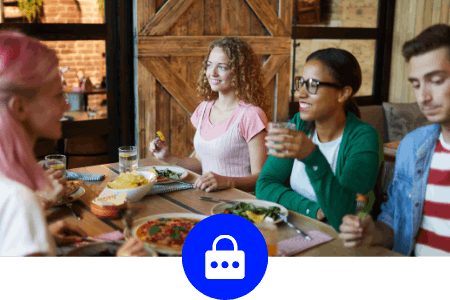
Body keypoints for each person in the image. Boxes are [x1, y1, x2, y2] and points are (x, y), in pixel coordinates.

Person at [0, 31, 147, 257]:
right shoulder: (20, 198)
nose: (66, 106)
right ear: (19, 108)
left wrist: (46, 238)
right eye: (58, 95)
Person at [339, 24, 450, 257]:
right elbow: (395, 221)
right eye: (416, 84)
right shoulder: (412, 146)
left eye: (437, 80)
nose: (423, 97)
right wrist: (373, 232)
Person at [255, 48, 383, 232]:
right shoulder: (299, 123)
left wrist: (312, 157)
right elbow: (265, 184)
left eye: (313, 84)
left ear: (343, 93)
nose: (301, 93)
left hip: (339, 243)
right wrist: (314, 210)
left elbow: (345, 216)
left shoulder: (364, 139)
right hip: (295, 227)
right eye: (301, 83)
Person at [149, 37, 269, 193]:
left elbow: (262, 179)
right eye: (209, 65)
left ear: (240, 72)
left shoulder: (252, 115)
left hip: (238, 204)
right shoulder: (204, 109)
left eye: (222, 67)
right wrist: (167, 157)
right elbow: (200, 162)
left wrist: (227, 181)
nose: (212, 73)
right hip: (206, 198)